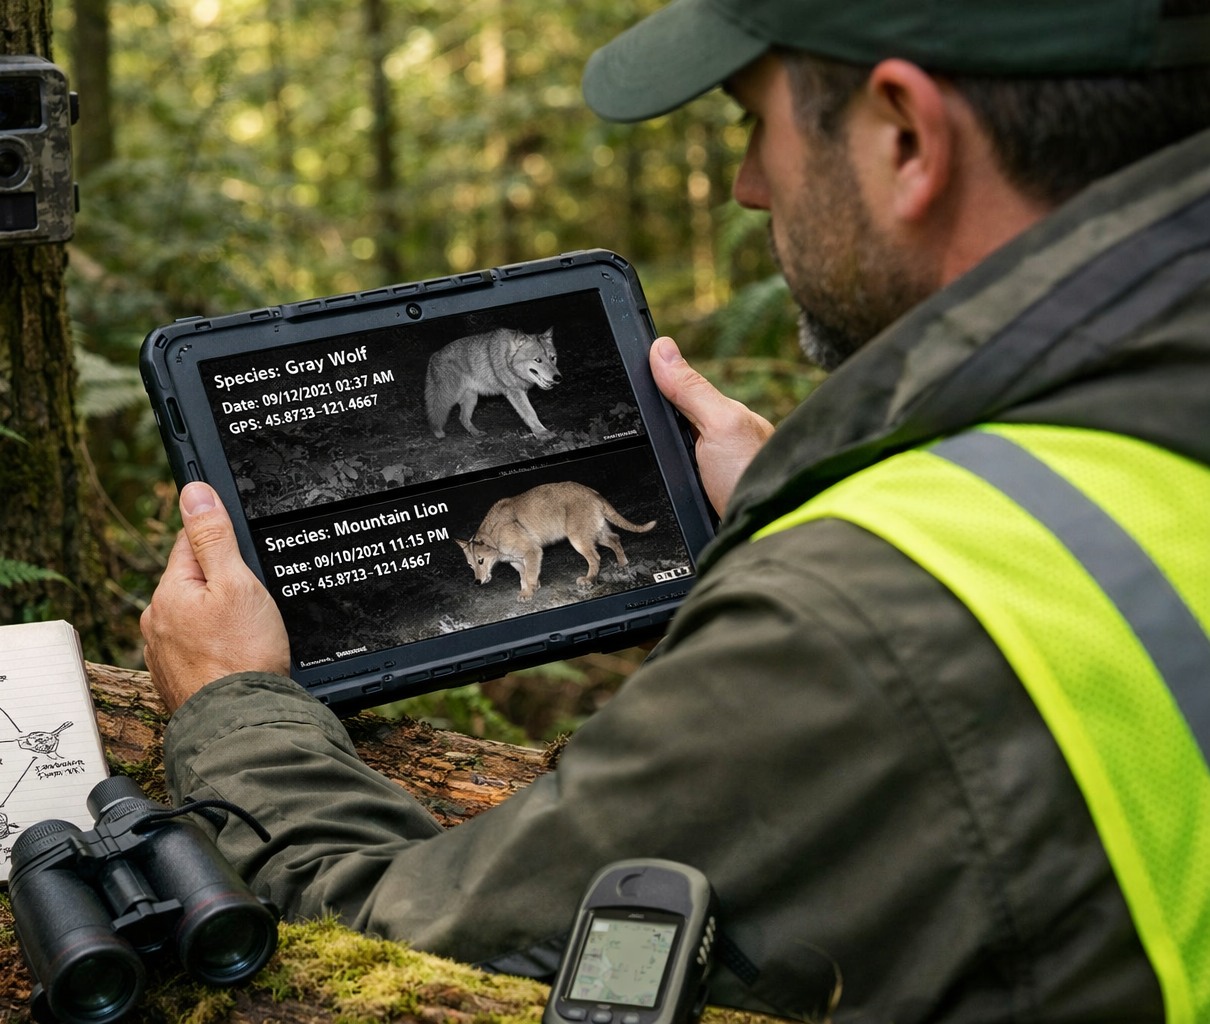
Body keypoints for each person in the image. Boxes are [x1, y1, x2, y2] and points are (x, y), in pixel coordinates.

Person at [140, 1, 1210, 1019]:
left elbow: (401, 950)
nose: (747, 183)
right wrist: (802, 509)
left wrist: (236, 706)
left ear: (906, 137)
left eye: (756, 122)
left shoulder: (873, 617)